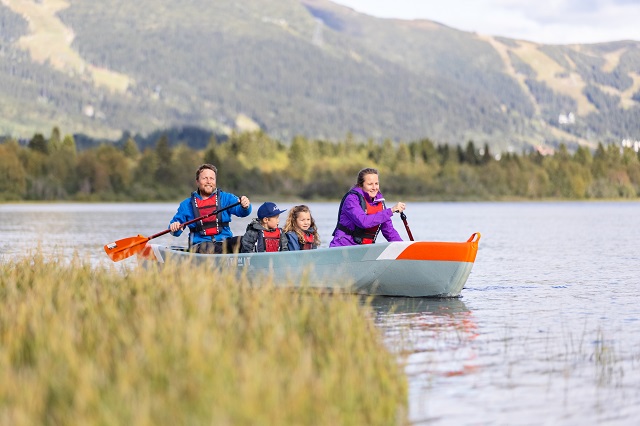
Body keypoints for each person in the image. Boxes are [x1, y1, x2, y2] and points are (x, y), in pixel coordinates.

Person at [169, 163, 251, 253]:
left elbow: (243, 212)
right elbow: (175, 232)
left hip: (224, 242)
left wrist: (245, 206)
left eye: (212, 178)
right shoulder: (186, 205)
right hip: (200, 245)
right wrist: (175, 227)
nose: (209, 181)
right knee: (210, 247)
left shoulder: (226, 198)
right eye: (205, 178)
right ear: (197, 181)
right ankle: (226, 259)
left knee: (245, 241)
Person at [330, 167, 405, 247]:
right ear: (360, 185)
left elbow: (389, 232)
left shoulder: (379, 203)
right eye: (370, 184)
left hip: (363, 250)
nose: (374, 188)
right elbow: (363, 222)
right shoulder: (351, 200)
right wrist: (391, 210)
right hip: (342, 248)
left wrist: (403, 247)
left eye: (376, 183)